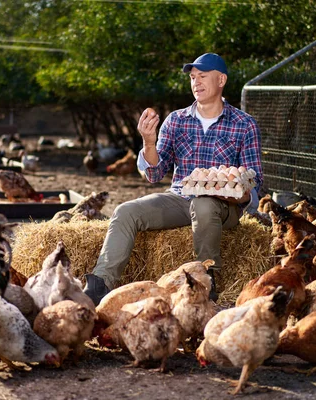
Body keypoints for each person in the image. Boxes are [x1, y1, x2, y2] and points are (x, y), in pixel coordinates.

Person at [83, 53, 263, 305]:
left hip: (224, 207)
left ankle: (205, 282)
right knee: (126, 211)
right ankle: (100, 284)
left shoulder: (244, 124)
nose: (196, 82)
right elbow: (154, 174)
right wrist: (148, 141)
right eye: (192, 77)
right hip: (179, 198)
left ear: (221, 80)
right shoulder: (176, 120)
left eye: (202, 76)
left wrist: (232, 192)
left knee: (204, 203)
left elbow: (254, 183)